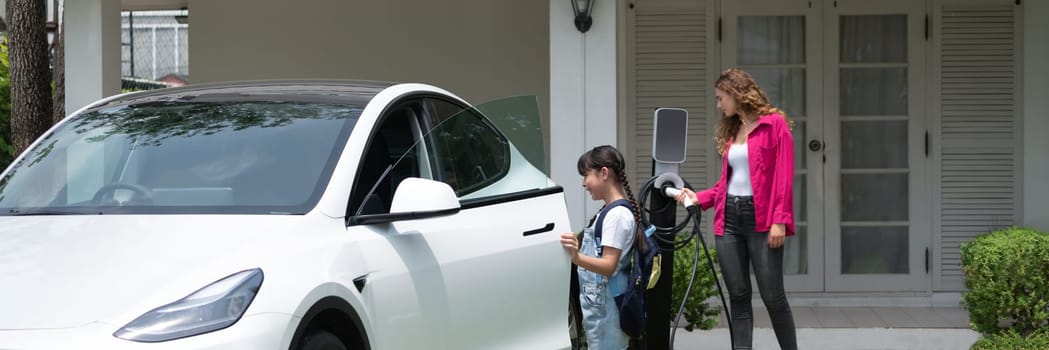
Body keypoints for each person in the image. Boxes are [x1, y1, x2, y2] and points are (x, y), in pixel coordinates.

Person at [674, 68, 798, 350]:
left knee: (773, 296)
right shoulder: (734, 131)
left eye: (721, 98)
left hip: (763, 219)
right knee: (738, 296)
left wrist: (780, 220)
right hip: (729, 219)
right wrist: (698, 198)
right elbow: (726, 185)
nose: (719, 105)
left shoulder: (774, 125)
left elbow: (783, 177)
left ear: (735, 93)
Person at [561, 145, 644, 350]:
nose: (583, 184)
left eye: (586, 175)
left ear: (604, 173)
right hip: (602, 310)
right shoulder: (609, 211)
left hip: (606, 312)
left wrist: (577, 257)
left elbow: (608, 265)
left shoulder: (616, 216)